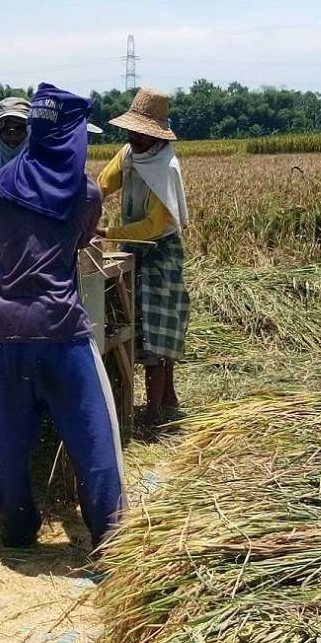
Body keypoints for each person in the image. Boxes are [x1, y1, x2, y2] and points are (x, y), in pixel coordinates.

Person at [0, 83, 125, 552]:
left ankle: (19, 531)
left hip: (11, 331)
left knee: (13, 439)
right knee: (94, 436)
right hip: (62, 329)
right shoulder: (85, 192)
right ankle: (110, 533)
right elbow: (81, 242)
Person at [96, 88, 191, 424]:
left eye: (141, 132)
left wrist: (108, 233)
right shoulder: (129, 154)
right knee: (132, 323)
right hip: (131, 249)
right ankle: (167, 397)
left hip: (160, 252)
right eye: (131, 130)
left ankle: (153, 414)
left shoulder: (166, 167)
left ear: (156, 134)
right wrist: (83, 204)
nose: (134, 136)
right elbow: (103, 184)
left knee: (156, 331)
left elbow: (154, 226)